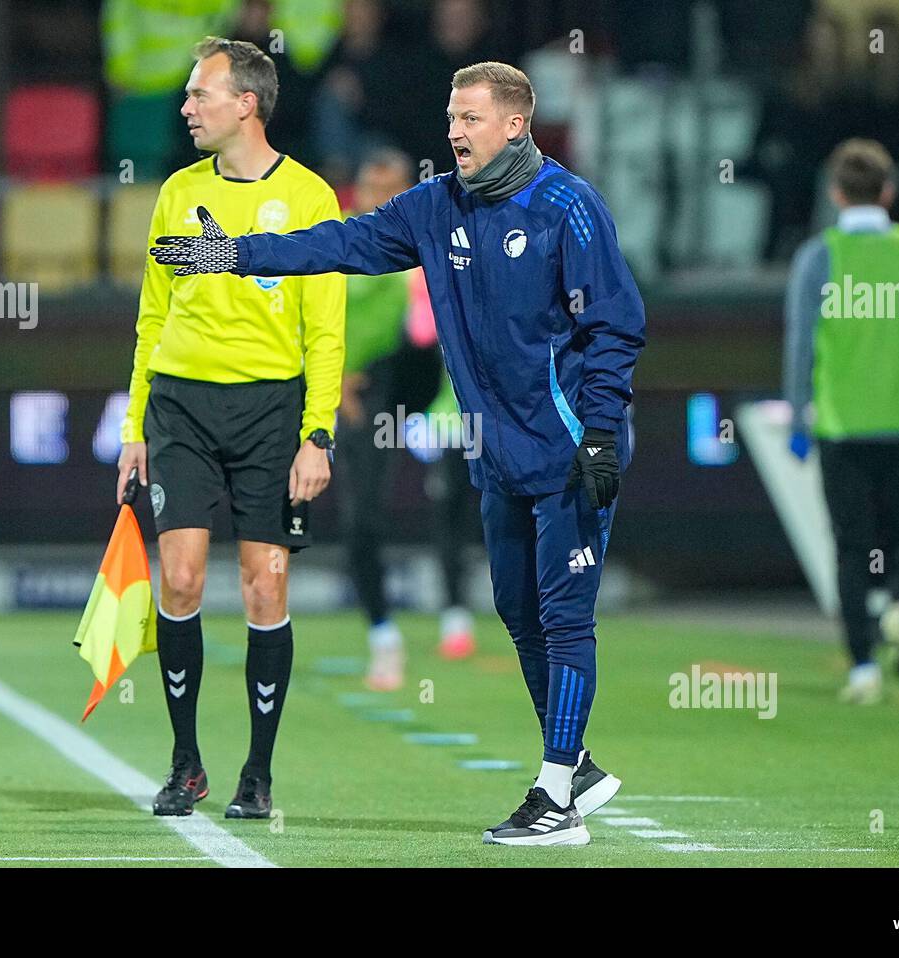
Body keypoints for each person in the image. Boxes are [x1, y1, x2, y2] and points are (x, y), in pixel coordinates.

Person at [150, 61, 643, 846]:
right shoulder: (436, 205)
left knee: (564, 614)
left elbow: (616, 325)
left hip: (572, 444)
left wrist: (601, 429)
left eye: (472, 119)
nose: (454, 132)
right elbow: (344, 241)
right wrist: (235, 256)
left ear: (516, 124)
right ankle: (575, 763)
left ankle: (556, 796)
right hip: (501, 453)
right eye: (451, 117)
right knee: (518, 612)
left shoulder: (569, 209)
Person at [117, 37, 345, 819]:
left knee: (265, 583)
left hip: (270, 412)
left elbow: (326, 328)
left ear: (246, 103)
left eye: (198, 95)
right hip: (180, 403)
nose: (185, 108)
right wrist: (134, 424)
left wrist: (319, 435)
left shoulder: (312, 198)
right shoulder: (177, 192)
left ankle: (258, 773)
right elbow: (151, 316)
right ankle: (186, 763)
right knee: (178, 577)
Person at [783, 138, 899, 704]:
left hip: (844, 427)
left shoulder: (819, 257)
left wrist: (799, 417)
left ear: (835, 193)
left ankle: (863, 669)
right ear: (890, 191)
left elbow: (802, 345)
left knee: (851, 548)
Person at [334, 148, 477, 693]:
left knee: (456, 500)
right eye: (376, 190)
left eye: (397, 191)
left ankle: (458, 613)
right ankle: (383, 634)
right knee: (361, 518)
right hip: (366, 389)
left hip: (437, 392)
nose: (386, 201)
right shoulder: (342, 247)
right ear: (360, 196)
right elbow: (315, 320)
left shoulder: (437, 245)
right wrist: (335, 377)